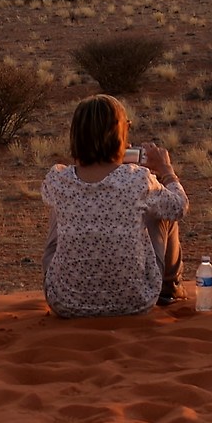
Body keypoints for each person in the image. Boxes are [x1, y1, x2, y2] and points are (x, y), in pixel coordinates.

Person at [41, 95, 187, 318]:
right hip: (135, 301)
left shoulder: (58, 179)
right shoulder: (139, 179)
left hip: (65, 303)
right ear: (119, 134)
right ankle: (170, 288)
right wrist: (166, 171)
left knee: (60, 207)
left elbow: (89, 188)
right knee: (164, 206)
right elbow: (180, 207)